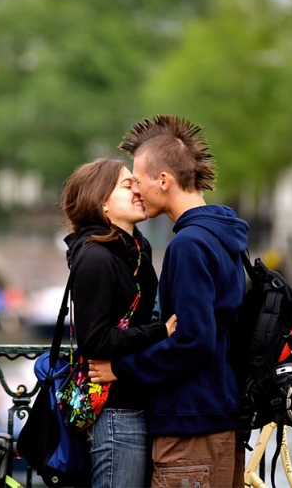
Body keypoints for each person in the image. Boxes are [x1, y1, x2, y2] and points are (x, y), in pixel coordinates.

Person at [88, 115, 249, 487]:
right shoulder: (223, 236)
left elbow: (193, 341)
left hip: (190, 422)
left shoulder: (189, 244)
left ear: (164, 180)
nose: (136, 190)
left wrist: (120, 369)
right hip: (219, 414)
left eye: (138, 179)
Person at [61, 157, 177, 488]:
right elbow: (94, 341)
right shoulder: (95, 257)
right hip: (115, 412)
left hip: (136, 400)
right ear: (102, 203)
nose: (138, 190)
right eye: (128, 186)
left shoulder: (135, 250)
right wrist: (160, 331)